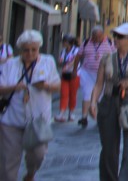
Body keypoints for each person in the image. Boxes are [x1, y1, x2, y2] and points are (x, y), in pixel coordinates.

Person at [89, 22, 128, 181]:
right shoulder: (106, 59)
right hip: (109, 101)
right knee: (108, 148)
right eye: (115, 36)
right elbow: (99, 84)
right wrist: (92, 102)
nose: (115, 39)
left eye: (120, 36)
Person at [0, 29, 60, 181]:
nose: (30, 53)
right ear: (21, 49)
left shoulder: (48, 62)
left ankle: (31, 174)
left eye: (34, 49)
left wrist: (45, 86)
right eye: (26, 50)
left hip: (38, 120)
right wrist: (14, 86)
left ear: (39, 48)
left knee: (38, 154)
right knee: (9, 161)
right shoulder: (10, 65)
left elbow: (57, 86)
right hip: (12, 119)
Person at [75, 26, 114, 128]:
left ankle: (98, 118)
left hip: (103, 73)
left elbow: (115, 57)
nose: (96, 39)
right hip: (87, 72)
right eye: (94, 36)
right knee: (87, 94)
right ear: (91, 35)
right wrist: (75, 70)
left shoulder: (109, 43)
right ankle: (84, 117)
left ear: (103, 35)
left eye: (99, 36)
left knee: (100, 96)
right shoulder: (86, 42)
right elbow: (78, 56)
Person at [56, 35, 80, 122]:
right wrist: (60, 62)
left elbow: (75, 61)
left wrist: (69, 65)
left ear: (69, 42)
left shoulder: (76, 50)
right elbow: (60, 61)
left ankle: (71, 113)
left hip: (74, 74)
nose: (63, 43)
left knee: (72, 94)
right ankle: (61, 113)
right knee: (64, 93)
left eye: (64, 41)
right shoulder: (63, 51)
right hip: (65, 74)